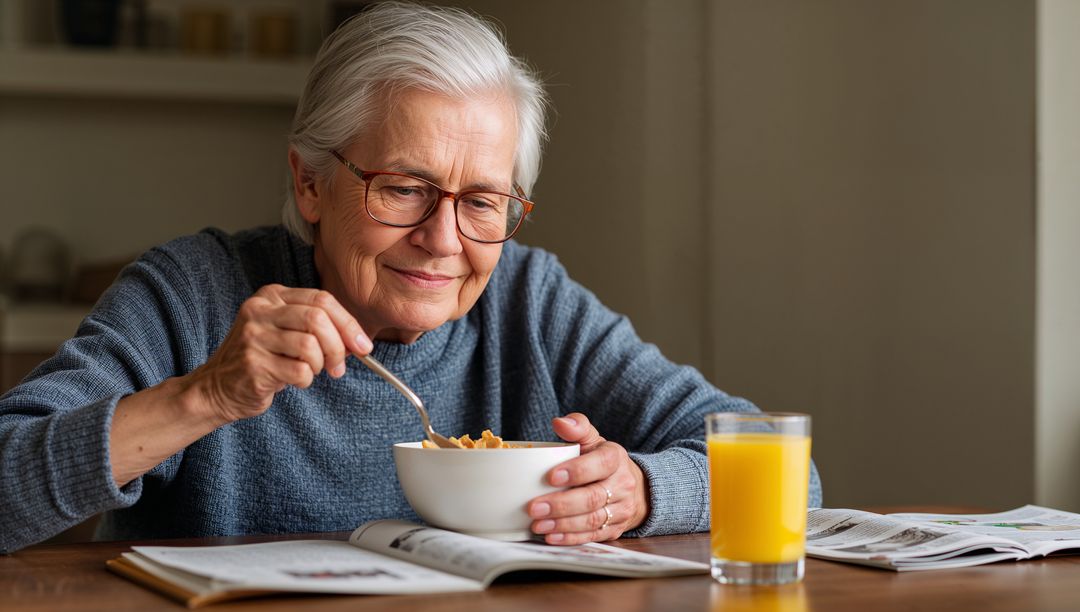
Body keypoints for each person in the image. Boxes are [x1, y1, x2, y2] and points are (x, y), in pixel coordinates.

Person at [0, 2, 821, 554]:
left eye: (483, 202)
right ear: (311, 183)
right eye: (403, 188)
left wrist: (640, 488)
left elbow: (788, 473)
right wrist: (204, 396)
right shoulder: (194, 293)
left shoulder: (529, 301)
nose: (443, 240)